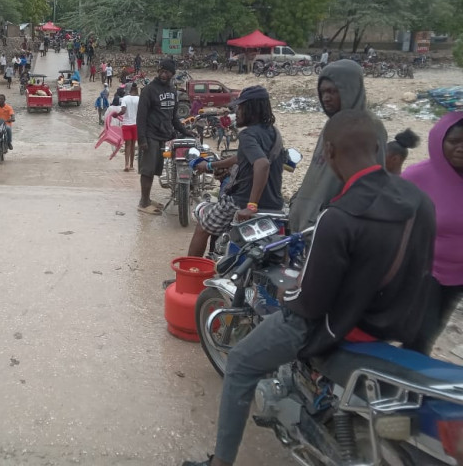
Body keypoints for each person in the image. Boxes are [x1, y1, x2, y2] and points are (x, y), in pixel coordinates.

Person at [182, 110, 435, 466]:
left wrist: (290, 292)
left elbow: (310, 304)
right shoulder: (419, 201)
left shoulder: (339, 215)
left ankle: (221, 462)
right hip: (394, 325)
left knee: (240, 361)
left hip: (339, 328)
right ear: (379, 147)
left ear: (328, 152)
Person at [288, 59, 388, 233]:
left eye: (332, 91)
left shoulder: (369, 127)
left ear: (350, 90)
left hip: (332, 226)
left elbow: (371, 187)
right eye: (322, 92)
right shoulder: (332, 125)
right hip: (306, 224)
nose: (326, 98)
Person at [187, 86, 284, 256]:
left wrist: (251, 206)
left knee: (202, 228)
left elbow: (261, 164)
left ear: (251, 109)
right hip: (274, 204)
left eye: (240, 107)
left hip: (241, 201)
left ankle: (189, 278)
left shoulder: (247, 135)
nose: (236, 111)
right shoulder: (274, 133)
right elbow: (240, 158)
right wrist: (211, 166)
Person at [403, 112, 463, 354]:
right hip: (427, 273)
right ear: (439, 141)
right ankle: (398, 384)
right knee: (419, 336)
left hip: (458, 276)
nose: (460, 149)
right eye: (454, 142)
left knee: (434, 329)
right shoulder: (418, 176)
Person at [136, 59, 193, 215]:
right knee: (147, 170)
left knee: (156, 169)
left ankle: (147, 199)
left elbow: (173, 117)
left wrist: (185, 131)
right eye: (161, 71)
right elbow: (141, 116)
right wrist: (142, 139)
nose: (163, 74)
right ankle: (143, 202)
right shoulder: (149, 90)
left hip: (164, 136)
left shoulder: (173, 91)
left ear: (172, 74)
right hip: (150, 135)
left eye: (167, 72)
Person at [119, 83, 140, 172]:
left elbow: (123, 110)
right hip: (135, 124)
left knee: (127, 145)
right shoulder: (139, 99)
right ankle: (131, 165)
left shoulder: (125, 98)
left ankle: (126, 164)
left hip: (126, 124)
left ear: (129, 90)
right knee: (133, 145)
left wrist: (117, 114)